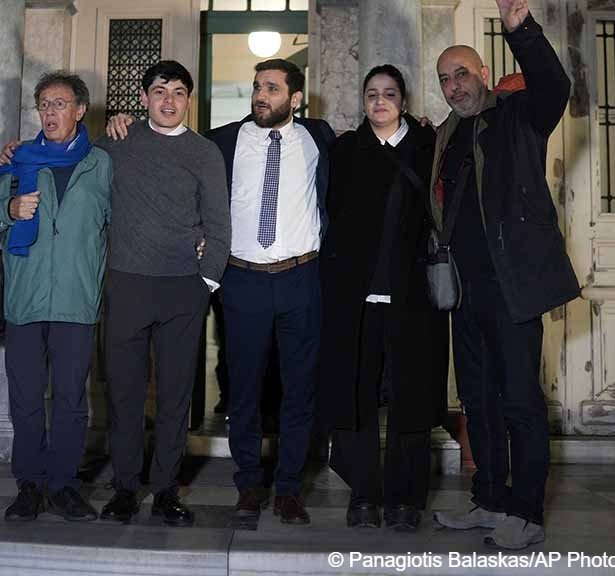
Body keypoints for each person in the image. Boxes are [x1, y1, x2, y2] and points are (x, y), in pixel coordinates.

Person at [429, 0, 579, 550]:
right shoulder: (445, 137)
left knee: (519, 401)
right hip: (464, 295)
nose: (454, 85)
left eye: (462, 73)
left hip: (513, 290)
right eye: (445, 79)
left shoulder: (518, 117)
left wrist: (523, 31)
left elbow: (553, 87)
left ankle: (527, 511)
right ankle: (489, 499)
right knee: (479, 403)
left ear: (484, 74)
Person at [0, 71, 112, 522]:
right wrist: (8, 210)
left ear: (79, 111)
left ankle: (65, 485)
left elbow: (119, 225)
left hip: (77, 300)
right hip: (26, 302)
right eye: (44, 105)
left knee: (72, 400)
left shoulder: (103, 165)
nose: (50, 112)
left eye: (59, 104)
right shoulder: (19, 163)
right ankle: (29, 484)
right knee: (27, 398)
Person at [95, 60, 229, 527]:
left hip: (182, 289)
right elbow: (71, 167)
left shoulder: (205, 152)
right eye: (159, 91)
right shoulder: (118, 140)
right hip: (127, 282)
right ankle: (125, 489)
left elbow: (218, 222)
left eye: (177, 92)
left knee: (175, 396)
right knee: (125, 395)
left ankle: (167, 489)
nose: (168, 100)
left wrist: (206, 281)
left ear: (188, 100)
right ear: (145, 98)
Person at [318, 65, 448, 533]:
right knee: (355, 396)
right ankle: (364, 495)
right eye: (372, 94)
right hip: (355, 298)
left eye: (389, 93)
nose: (380, 101)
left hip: (413, 299)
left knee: (411, 398)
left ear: (404, 101)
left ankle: (405, 499)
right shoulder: (346, 149)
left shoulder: (426, 147)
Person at [207, 59, 335, 527]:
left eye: (273, 89)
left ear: (295, 98)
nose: (261, 96)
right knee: (243, 389)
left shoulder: (320, 139)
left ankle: (288, 489)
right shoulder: (222, 141)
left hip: (302, 279)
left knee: (299, 391)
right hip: (242, 280)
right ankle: (247, 485)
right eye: (258, 87)